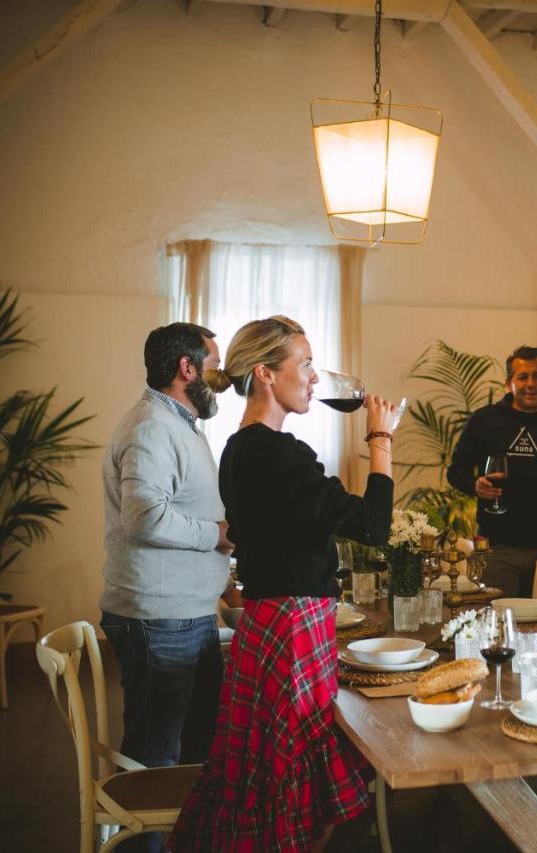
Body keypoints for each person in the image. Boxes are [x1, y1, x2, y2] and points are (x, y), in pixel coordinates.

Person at [169, 316, 397, 852]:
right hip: (294, 629)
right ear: (267, 374)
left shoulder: (240, 449)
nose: (316, 378)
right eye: (306, 364)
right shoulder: (279, 454)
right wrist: (381, 439)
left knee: (268, 771)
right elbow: (372, 525)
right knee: (288, 770)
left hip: (271, 623)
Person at [99, 322, 234, 852]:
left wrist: (220, 583)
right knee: (156, 763)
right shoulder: (152, 427)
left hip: (184, 613)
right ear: (187, 368)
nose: (220, 378)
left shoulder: (181, 424)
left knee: (194, 752)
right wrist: (218, 538)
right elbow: (145, 518)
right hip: (159, 620)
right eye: (215, 365)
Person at [446, 345, 537, 598]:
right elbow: (456, 471)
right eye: (523, 377)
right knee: (496, 629)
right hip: (496, 550)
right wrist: (474, 485)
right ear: (509, 383)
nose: (530, 384)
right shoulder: (484, 420)